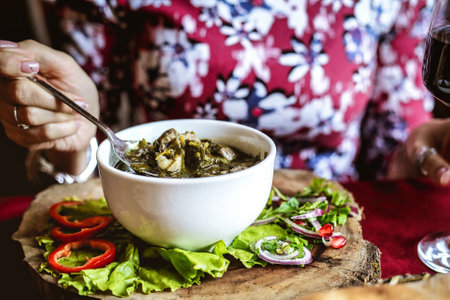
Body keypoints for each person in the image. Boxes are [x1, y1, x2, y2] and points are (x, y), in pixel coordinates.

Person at [0, 0, 449, 187]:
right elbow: (95, 142)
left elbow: (393, 144)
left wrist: (423, 150)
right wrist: (71, 136)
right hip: (158, 213)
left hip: (325, 227)